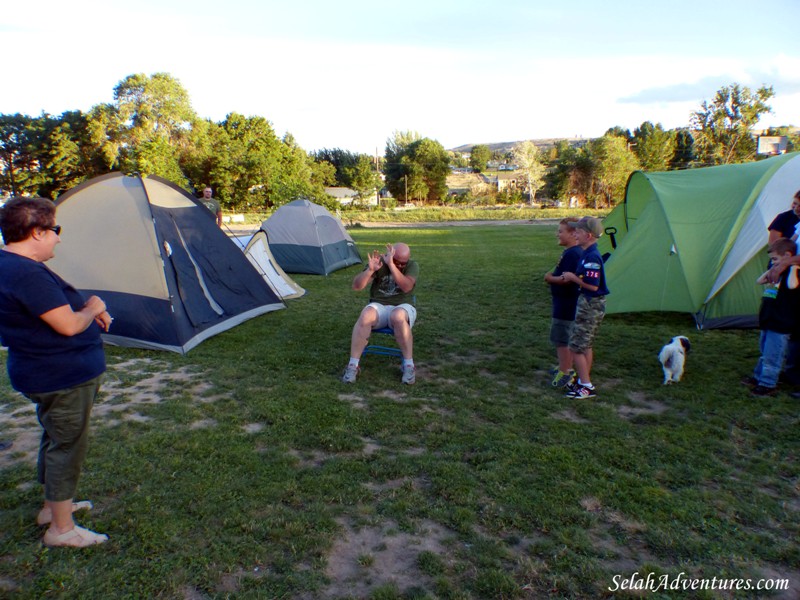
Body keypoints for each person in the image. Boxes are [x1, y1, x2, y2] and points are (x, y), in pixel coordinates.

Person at [0, 197, 112, 547]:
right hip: (61, 376)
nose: (58, 238)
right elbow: (66, 325)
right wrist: (93, 306)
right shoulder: (25, 273)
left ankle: (53, 507)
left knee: (55, 437)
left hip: (41, 370)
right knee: (67, 445)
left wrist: (84, 311)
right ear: (36, 232)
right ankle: (61, 530)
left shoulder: (9, 263)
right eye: (54, 230)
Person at [342, 243, 419, 385]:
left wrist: (392, 266)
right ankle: (353, 365)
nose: (401, 266)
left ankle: (409, 366)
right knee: (366, 315)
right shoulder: (379, 263)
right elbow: (357, 286)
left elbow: (406, 287)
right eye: (398, 262)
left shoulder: (412, 265)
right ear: (390, 256)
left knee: (398, 316)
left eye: (404, 263)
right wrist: (370, 271)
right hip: (380, 306)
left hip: (403, 306)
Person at [743, 238, 800, 396]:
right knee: (764, 351)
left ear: (787, 255)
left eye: (775, 258)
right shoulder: (775, 270)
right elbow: (759, 280)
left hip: (781, 322)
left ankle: (768, 383)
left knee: (772, 355)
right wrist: (773, 268)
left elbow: (792, 286)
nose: (772, 262)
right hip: (769, 319)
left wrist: (792, 268)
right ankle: (758, 376)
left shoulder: (792, 271)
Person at [562, 217, 610, 399]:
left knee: (576, 346)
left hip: (591, 304)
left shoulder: (592, 257)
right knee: (585, 344)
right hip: (589, 303)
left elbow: (593, 286)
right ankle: (583, 380)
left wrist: (573, 278)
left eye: (578, 231)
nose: (575, 233)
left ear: (588, 235)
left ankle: (587, 387)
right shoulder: (587, 252)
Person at [543, 218, 582, 388]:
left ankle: (565, 372)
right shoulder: (570, 252)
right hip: (563, 302)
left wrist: (550, 278)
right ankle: (564, 367)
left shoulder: (573, 253)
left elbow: (567, 279)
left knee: (562, 339)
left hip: (566, 304)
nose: (557, 234)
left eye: (560, 231)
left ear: (573, 234)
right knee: (563, 337)